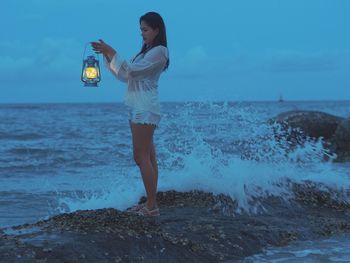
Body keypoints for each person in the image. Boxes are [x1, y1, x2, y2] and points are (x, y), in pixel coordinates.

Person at [91, 12, 169, 217]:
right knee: (149, 156)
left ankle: (151, 206)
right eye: (140, 30)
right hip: (138, 106)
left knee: (141, 157)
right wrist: (108, 56)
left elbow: (133, 71)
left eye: (145, 29)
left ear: (156, 30)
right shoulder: (146, 52)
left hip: (145, 107)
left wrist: (113, 51)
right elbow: (125, 75)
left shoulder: (160, 51)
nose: (142, 33)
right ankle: (151, 204)